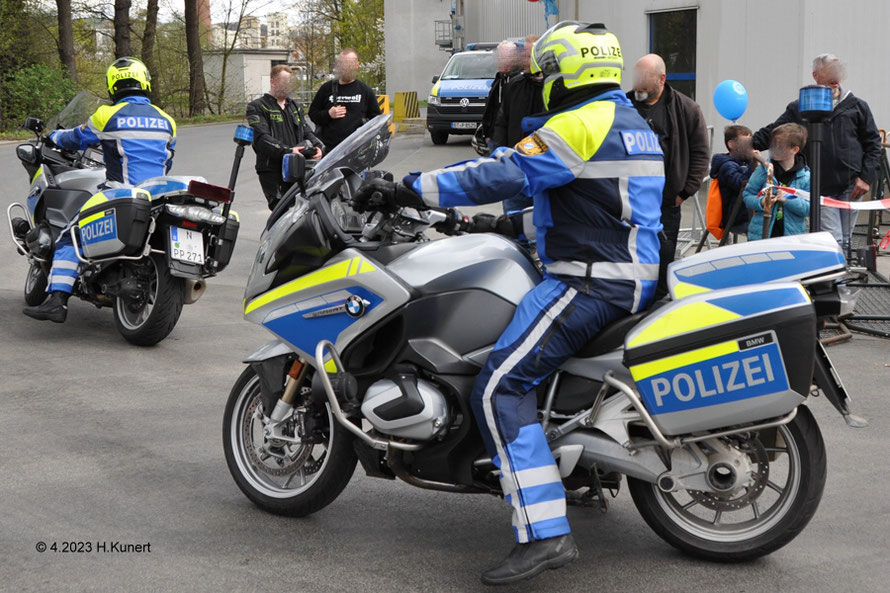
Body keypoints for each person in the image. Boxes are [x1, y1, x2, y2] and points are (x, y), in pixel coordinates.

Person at [353, 22, 664, 585]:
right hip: (622, 269)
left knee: (500, 386)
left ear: (569, 72)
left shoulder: (579, 122)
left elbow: (503, 170)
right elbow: (587, 205)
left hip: (590, 282)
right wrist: (483, 223)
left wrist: (407, 187)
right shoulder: (627, 121)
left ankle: (545, 535)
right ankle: (573, 473)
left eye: (547, 71)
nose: (541, 82)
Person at [23, 57, 176, 324]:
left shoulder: (108, 115)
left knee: (70, 235)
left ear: (113, 85)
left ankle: (57, 301)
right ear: (144, 81)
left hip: (120, 192)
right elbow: (168, 159)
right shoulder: (167, 121)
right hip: (156, 196)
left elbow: (77, 138)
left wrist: (53, 137)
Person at [752, 54, 881, 257]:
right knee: (833, 238)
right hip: (820, 187)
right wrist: (748, 145)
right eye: (829, 70)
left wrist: (866, 177)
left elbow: (873, 143)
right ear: (816, 75)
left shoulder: (857, 106)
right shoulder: (801, 107)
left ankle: (838, 279)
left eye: (837, 69)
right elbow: (776, 130)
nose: (834, 76)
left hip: (851, 186)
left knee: (846, 238)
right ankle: (835, 283)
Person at [628, 54, 709, 298]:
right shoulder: (622, 105)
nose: (638, 85)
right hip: (627, 199)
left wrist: (684, 192)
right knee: (629, 255)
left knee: (663, 255)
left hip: (666, 202)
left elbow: (701, 154)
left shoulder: (687, 109)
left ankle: (656, 306)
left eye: (644, 79)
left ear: (662, 79)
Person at [247, 65, 324, 210]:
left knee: (302, 210)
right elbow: (261, 138)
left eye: (290, 82)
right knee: (282, 211)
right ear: (273, 81)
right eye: (284, 81)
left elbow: (306, 131)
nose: (287, 86)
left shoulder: (295, 106)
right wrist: (288, 151)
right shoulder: (257, 106)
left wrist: (319, 147)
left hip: (298, 167)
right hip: (272, 169)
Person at [492, 34, 544, 213]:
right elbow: (502, 122)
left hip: (542, 173)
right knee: (511, 224)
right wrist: (499, 154)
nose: (526, 60)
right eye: (525, 55)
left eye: (531, 56)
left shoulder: (553, 89)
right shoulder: (514, 86)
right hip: (514, 172)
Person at [744, 123, 811, 240]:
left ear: (794, 149)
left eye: (780, 146)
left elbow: (809, 208)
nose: (773, 149)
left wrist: (789, 199)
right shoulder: (764, 169)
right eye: (773, 144)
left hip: (792, 239)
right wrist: (761, 202)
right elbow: (747, 195)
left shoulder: (805, 176)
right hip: (761, 236)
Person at [308, 48, 382, 152]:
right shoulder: (326, 88)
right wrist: (328, 114)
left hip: (356, 149)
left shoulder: (365, 90)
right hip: (329, 150)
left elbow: (376, 119)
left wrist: (364, 131)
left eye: (349, 64)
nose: (345, 67)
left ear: (357, 65)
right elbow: (313, 114)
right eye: (342, 64)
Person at [710, 125, 758, 234]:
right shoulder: (726, 166)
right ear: (731, 144)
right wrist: (754, 165)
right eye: (746, 143)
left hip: (747, 213)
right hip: (737, 219)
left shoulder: (745, 162)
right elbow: (741, 184)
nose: (751, 146)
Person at [481, 41, 523, 149]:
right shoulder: (499, 79)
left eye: (503, 57)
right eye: (498, 57)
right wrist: (486, 134)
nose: (499, 61)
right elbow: (491, 108)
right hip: (494, 139)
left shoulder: (518, 82)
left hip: (511, 142)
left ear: (513, 59)